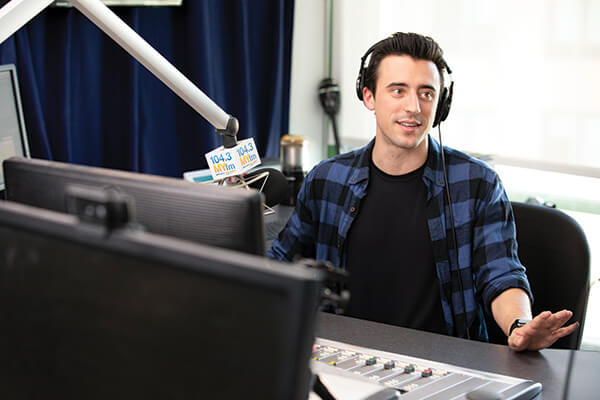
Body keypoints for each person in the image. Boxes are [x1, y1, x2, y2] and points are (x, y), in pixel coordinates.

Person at [268, 32, 578, 351]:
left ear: (441, 103)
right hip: (343, 357)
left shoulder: (477, 183)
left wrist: (520, 326)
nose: (414, 107)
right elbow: (281, 261)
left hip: (445, 365)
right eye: (398, 90)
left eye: (426, 93)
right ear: (369, 97)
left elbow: (501, 273)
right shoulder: (327, 179)